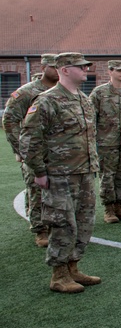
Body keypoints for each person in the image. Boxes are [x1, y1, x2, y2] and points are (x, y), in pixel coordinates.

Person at [20, 52, 101, 293]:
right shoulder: (47, 100)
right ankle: (58, 275)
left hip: (84, 172)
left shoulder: (84, 99)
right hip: (59, 175)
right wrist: (40, 171)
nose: (86, 70)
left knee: (84, 222)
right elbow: (29, 140)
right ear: (64, 70)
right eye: (81, 67)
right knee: (62, 223)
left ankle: (73, 266)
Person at [3, 53, 59, 247]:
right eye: (53, 67)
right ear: (43, 68)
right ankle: (40, 229)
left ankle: (56, 224)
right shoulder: (27, 92)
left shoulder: (64, 90)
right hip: (35, 151)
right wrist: (20, 149)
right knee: (36, 190)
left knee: (57, 190)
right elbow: (9, 120)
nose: (57, 71)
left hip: (59, 152)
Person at [89, 60, 121, 224]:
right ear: (110, 71)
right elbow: (90, 120)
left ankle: (119, 206)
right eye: (118, 70)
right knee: (107, 176)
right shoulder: (99, 93)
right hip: (106, 142)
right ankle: (108, 209)